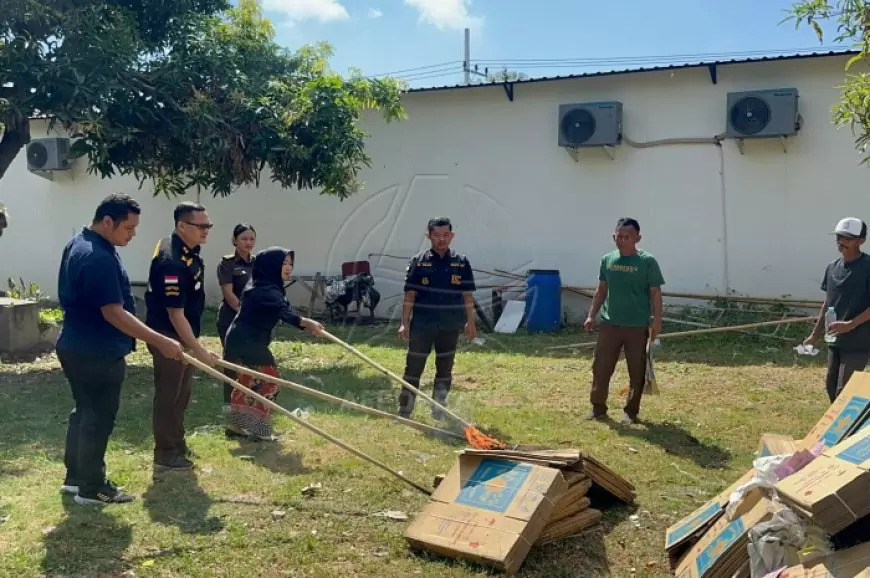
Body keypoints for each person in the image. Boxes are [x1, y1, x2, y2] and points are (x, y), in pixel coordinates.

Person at [56, 194, 184, 505]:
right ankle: (92, 487)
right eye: (128, 227)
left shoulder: (82, 243)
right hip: (95, 350)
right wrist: (160, 340)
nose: (133, 234)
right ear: (107, 221)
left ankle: (76, 479)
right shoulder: (96, 256)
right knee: (98, 416)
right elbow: (113, 312)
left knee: (84, 412)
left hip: (77, 345)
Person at [223, 247, 325, 439]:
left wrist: (306, 322)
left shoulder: (266, 285)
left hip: (241, 339)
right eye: (283, 263)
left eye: (290, 264)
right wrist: (308, 323)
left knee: (247, 380)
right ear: (270, 265)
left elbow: (282, 307)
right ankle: (258, 428)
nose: (288, 268)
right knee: (271, 381)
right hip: (248, 341)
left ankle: (238, 425)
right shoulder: (264, 290)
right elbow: (284, 313)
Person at [144, 201, 217, 471]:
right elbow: (175, 314)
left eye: (208, 225)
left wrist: (195, 345)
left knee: (182, 392)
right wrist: (199, 350)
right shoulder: (172, 261)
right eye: (201, 226)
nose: (206, 230)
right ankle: (165, 452)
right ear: (182, 226)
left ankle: (177, 443)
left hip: (183, 331)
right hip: (167, 334)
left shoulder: (187, 249)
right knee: (169, 393)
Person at [584, 217, 665, 425]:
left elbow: (655, 293)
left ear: (637, 238)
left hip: (637, 326)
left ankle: (630, 411)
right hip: (610, 324)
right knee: (601, 367)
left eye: (626, 237)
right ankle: (598, 407)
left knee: (636, 371)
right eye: (617, 236)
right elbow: (602, 289)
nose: (620, 240)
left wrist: (657, 320)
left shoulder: (647, 262)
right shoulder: (607, 259)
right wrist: (592, 315)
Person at [398, 217, 477, 420]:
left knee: (445, 368)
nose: (441, 240)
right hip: (422, 324)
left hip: (450, 324)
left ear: (452, 235)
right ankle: (405, 410)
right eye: (436, 235)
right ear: (428, 236)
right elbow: (409, 296)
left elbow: (468, 295)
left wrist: (471, 322)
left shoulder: (461, 262)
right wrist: (404, 323)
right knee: (414, 367)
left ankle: (439, 409)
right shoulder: (419, 261)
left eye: (445, 235)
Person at [803, 217, 870, 402]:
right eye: (839, 237)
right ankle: (838, 428)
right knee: (831, 387)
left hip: (859, 341)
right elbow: (827, 303)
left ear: (861, 241)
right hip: (835, 340)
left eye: (848, 238)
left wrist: (851, 324)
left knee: (845, 391)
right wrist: (814, 335)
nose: (841, 242)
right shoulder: (832, 268)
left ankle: (847, 429)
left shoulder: (867, 267)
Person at [216, 223, 256, 417]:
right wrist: (244, 314)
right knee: (233, 365)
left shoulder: (258, 263)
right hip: (231, 319)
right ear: (234, 241)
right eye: (244, 239)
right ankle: (230, 409)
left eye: (251, 239)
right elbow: (229, 295)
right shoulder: (228, 263)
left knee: (252, 364)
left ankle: (249, 409)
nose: (248, 243)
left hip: (253, 323)